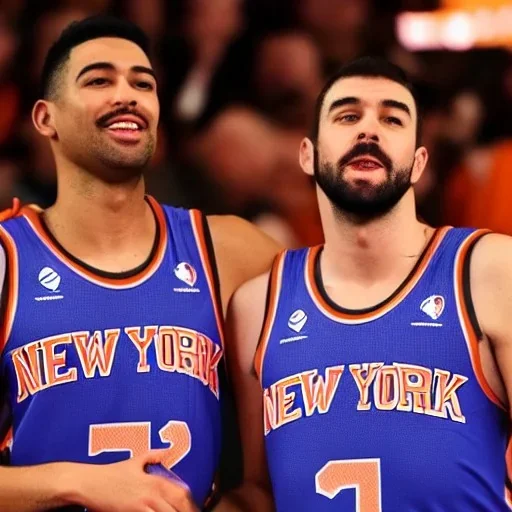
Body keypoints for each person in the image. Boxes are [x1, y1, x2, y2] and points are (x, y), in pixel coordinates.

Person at [0, 16, 281, 512]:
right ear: (46, 118)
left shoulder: (230, 250)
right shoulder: (7, 258)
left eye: (142, 83)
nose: (127, 94)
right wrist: (78, 483)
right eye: (99, 80)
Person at [227, 56, 512, 511]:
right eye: (347, 115)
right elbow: (259, 493)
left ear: (419, 162)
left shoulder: (492, 271)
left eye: (392, 118)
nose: (369, 130)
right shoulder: (258, 305)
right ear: (308, 154)